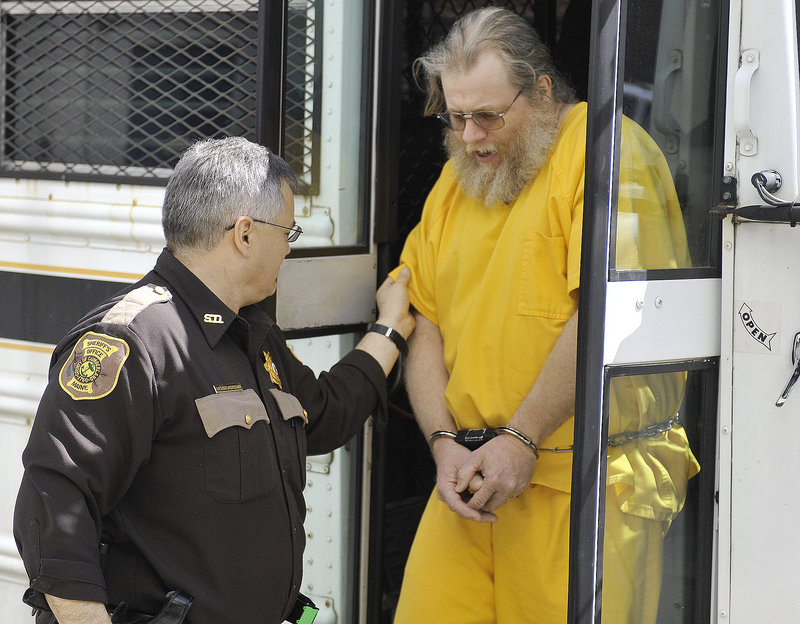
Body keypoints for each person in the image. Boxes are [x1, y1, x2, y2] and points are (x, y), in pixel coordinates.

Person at [13, 136, 415, 624]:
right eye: (288, 232)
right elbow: (54, 504)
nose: (289, 249)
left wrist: (388, 332)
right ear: (245, 234)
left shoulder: (253, 337)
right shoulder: (133, 341)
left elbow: (326, 414)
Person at [389, 7, 699, 624]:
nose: (471, 135)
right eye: (456, 118)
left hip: (583, 482)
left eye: (488, 116)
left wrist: (522, 437)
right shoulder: (457, 181)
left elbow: (612, 315)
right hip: (472, 477)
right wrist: (443, 443)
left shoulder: (607, 154)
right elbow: (424, 319)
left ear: (542, 91)